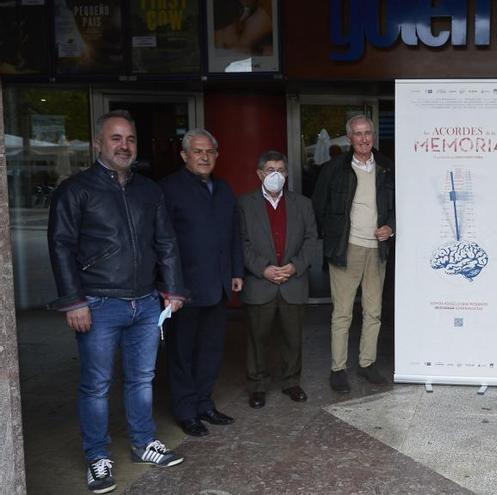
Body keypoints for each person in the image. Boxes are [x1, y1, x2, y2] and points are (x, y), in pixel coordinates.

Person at [47, 109, 186, 494]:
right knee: (96, 385)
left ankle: (143, 444)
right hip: (98, 303)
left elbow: (166, 242)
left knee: (142, 380)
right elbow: (61, 247)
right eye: (116, 138)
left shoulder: (148, 189)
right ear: (98, 144)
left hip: (144, 302)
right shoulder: (76, 190)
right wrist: (73, 301)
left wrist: (173, 289)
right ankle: (97, 456)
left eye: (130, 139)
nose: (124, 146)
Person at [160, 128, 243, 437]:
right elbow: (161, 241)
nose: (204, 157)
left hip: (218, 286)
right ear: (184, 156)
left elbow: (234, 233)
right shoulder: (168, 189)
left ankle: (204, 404)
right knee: (182, 353)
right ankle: (185, 411)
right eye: (198, 151)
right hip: (183, 290)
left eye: (209, 152)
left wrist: (236, 271)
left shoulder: (224, 190)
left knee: (210, 350)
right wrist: (168, 287)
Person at [313, 115, 395, 393]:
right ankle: (338, 369)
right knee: (343, 312)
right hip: (346, 249)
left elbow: (398, 205)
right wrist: (334, 236)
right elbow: (319, 207)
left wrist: (391, 227)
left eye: (367, 133)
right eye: (358, 134)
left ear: (373, 135)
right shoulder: (335, 168)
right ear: (349, 138)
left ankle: (367, 363)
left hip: (377, 249)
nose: (363, 138)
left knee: (373, 311)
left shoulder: (386, 167)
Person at [238, 150, 317, 408]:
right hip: (261, 282)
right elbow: (241, 243)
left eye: (280, 170)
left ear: (286, 174)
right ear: (260, 174)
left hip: (292, 281)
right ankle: (258, 385)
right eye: (270, 170)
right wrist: (264, 269)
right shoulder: (245, 205)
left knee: (293, 338)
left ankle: (291, 382)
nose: (276, 175)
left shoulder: (302, 204)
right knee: (257, 338)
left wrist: (294, 267)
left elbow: (310, 240)